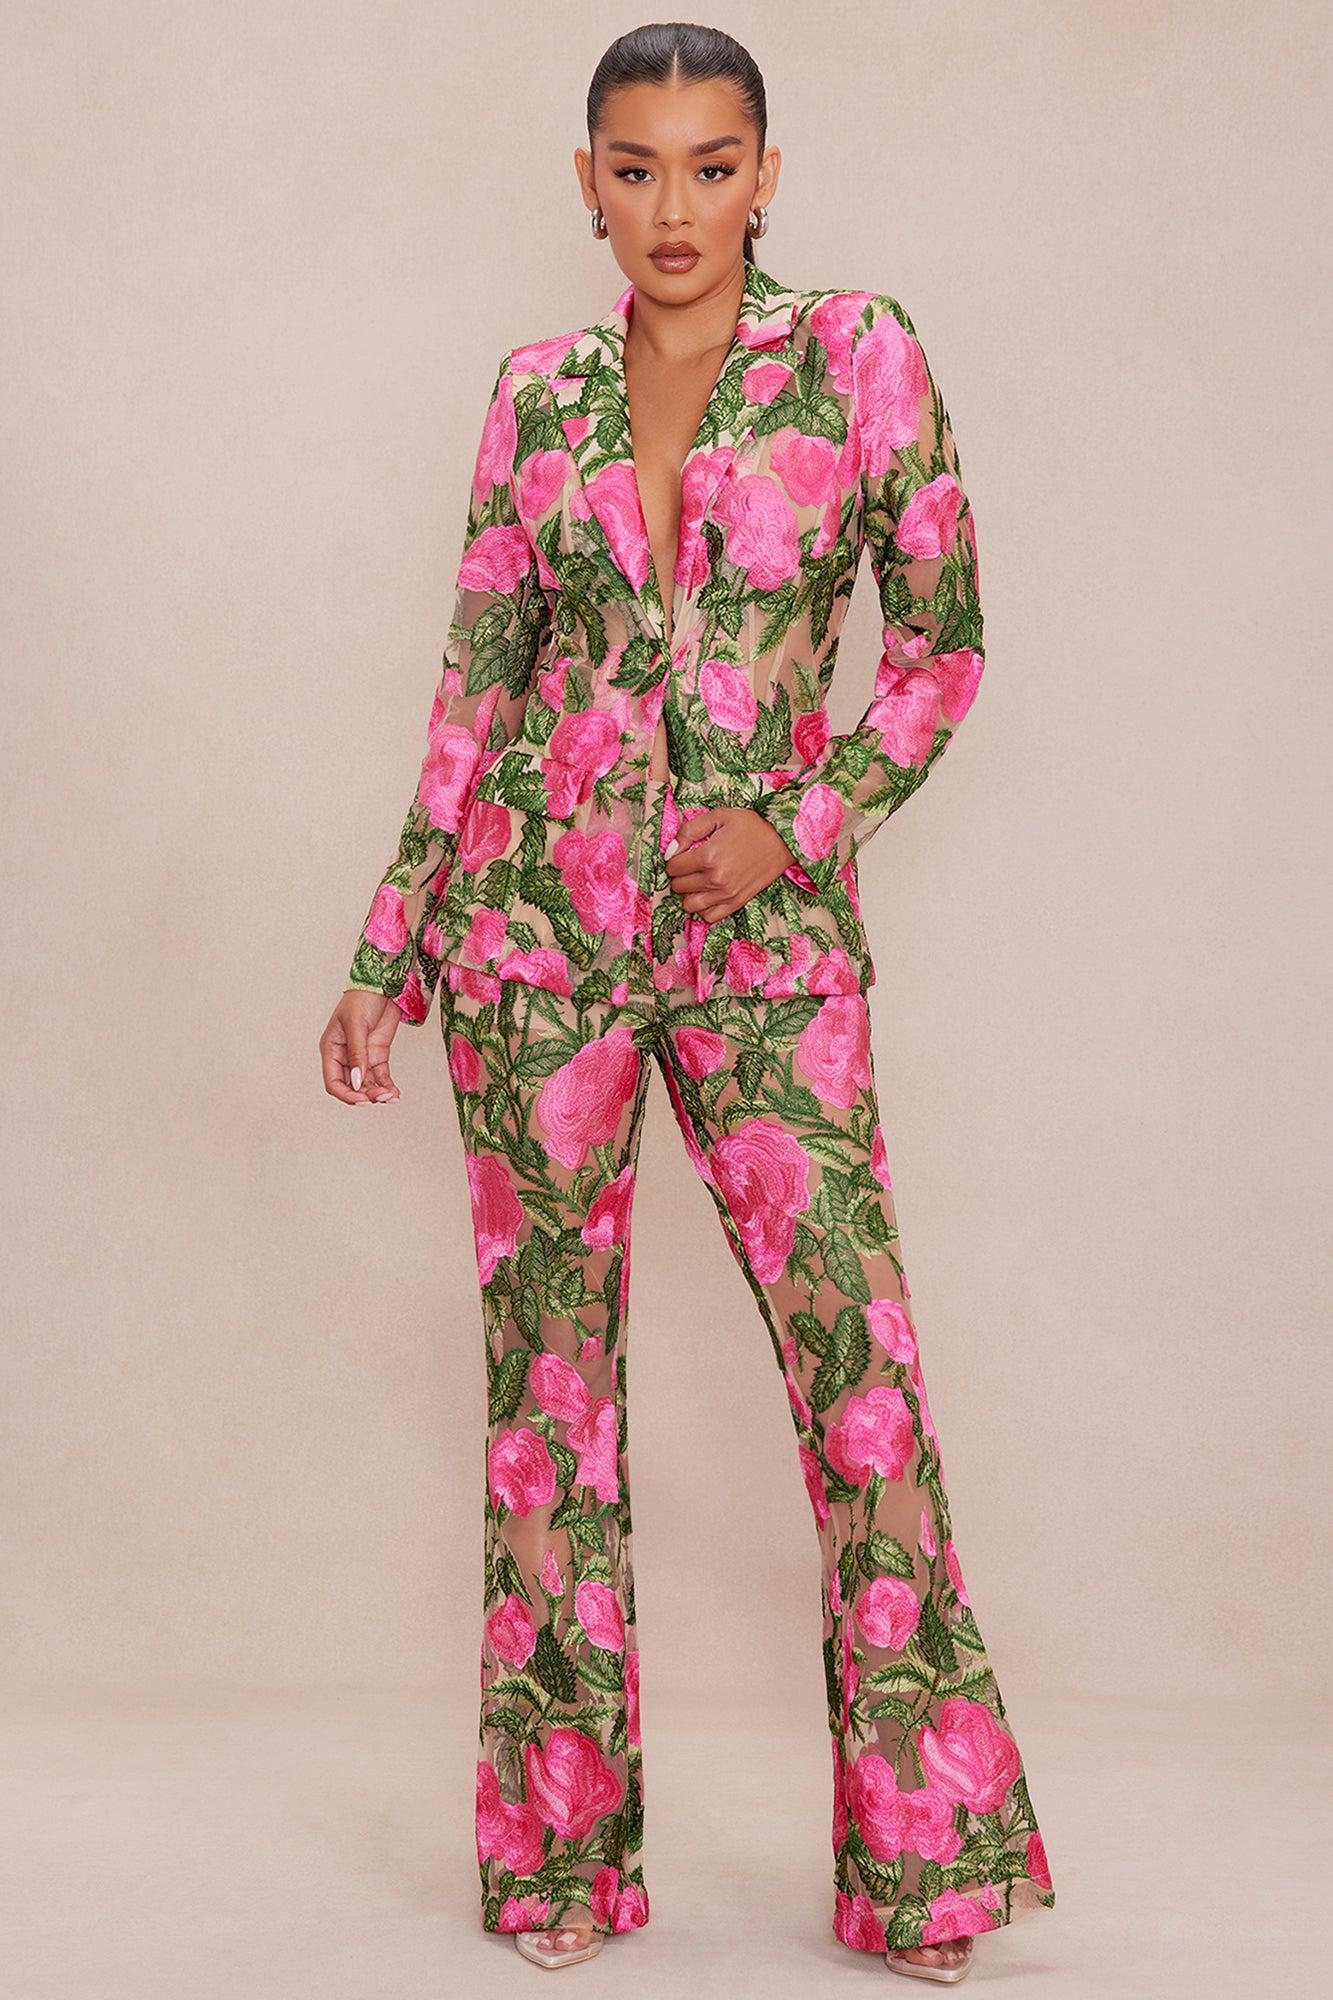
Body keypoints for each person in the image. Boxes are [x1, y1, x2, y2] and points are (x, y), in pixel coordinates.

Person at [320, 20, 1055, 1985]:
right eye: (635, 169)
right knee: (547, 1415)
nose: (673, 207)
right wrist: (390, 947)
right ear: (587, 184)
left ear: (764, 176)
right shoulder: (534, 391)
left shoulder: (857, 354)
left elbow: (944, 648)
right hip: (530, 947)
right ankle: (561, 1866)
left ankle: (923, 1868)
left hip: (765, 956)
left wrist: (795, 823)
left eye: (709, 167)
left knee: (859, 1383)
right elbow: (479, 678)